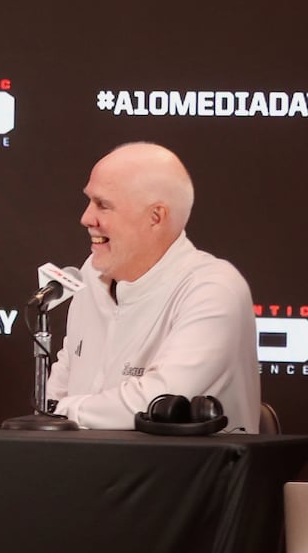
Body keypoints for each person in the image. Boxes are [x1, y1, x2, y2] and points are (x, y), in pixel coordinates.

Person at [47, 142, 258, 431]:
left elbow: (156, 402)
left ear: (155, 217)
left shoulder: (214, 288)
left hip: (182, 475)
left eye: (103, 205)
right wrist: (54, 415)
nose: (86, 218)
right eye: (89, 201)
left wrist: (62, 413)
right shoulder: (90, 276)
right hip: (83, 471)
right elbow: (62, 379)